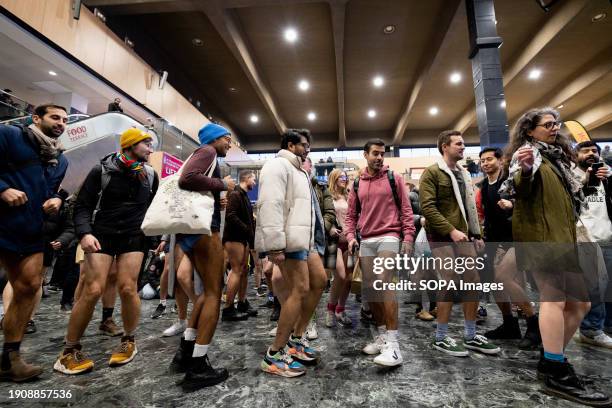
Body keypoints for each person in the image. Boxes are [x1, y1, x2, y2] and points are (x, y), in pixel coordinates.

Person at [506, 108, 609, 405]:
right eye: (547, 124)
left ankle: (552, 359)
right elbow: (520, 187)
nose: (554, 128)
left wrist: (590, 181)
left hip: (564, 238)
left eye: (556, 123)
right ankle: (555, 368)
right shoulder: (526, 153)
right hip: (540, 238)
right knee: (555, 300)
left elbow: (572, 198)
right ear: (529, 130)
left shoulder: (558, 158)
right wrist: (525, 171)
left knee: (581, 304)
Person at [54, 128, 158, 375]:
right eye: (146, 144)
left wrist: (154, 238)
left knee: (127, 287)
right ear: (130, 145)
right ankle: (68, 351)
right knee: (92, 289)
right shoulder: (100, 170)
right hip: (101, 233)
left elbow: (154, 208)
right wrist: (84, 233)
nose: (150, 149)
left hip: (133, 236)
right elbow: (82, 206)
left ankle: (129, 341)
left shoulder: (150, 174)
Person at [0, 103, 69, 381]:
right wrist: (2, 189)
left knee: (29, 287)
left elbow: (51, 190)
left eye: (65, 119)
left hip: (28, 229)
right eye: (55, 117)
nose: (61, 123)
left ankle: (10, 359)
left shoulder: (60, 159)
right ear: (36, 118)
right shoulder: (9, 135)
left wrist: (57, 199)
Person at [419, 130, 500, 357]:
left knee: (472, 279)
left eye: (463, 144)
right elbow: (427, 207)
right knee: (448, 280)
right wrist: (451, 230)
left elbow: (469, 208)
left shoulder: (463, 173)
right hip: (442, 235)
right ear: (445, 146)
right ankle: (441, 337)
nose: (463, 147)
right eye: (459, 144)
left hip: (463, 235)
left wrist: (476, 233)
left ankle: (470, 334)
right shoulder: (432, 172)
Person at [255, 128, 327, 377]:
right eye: (304, 145)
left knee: (320, 282)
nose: (308, 149)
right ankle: (274, 354)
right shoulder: (277, 166)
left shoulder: (299, 171)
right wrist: (274, 245)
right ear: (290, 144)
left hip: (305, 241)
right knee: (299, 290)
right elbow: (270, 205)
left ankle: (296, 340)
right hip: (287, 242)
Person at [169, 122, 235, 390]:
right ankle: (198, 366)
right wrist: (222, 183)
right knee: (212, 295)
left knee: (205, 293)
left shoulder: (203, 153)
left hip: (192, 231)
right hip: (204, 232)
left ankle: (186, 352)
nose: (230, 144)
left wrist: (215, 193)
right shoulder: (207, 151)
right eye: (227, 139)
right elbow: (187, 179)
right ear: (215, 139)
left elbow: (192, 181)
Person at [345, 139, 416, 367]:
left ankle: (394, 346)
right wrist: (350, 237)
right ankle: (382, 335)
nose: (379, 157)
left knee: (385, 283)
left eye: (382, 154)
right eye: (375, 153)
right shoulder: (357, 183)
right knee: (369, 289)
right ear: (365, 155)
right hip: (367, 238)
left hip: (389, 235)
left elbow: (406, 210)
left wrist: (408, 237)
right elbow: (350, 216)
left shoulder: (394, 179)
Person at [478, 147, 541, 349]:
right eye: (482, 161)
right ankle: (509, 324)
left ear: (500, 160)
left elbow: (528, 202)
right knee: (494, 282)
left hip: (517, 238)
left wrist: (512, 205)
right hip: (494, 240)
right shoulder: (483, 185)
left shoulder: (511, 180)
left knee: (502, 277)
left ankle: (534, 324)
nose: (485, 163)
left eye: (489, 159)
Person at [573, 141, 612, 349]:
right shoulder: (571, 178)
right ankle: (590, 330)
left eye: (594, 151)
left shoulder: (607, 176)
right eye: (585, 151)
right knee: (595, 287)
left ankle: (607, 326)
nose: (591, 154)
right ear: (576, 154)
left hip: (608, 236)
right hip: (585, 238)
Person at [303, 156, 336, 339]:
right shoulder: (291, 183)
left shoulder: (321, 187)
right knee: (296, 284)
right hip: (295, 241)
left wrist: (318, 227)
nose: (302, 164)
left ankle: (310, 321)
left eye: (305, 162)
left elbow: (330, 213)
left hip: (315, 241)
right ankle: (296, 322)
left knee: (316, 282)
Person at [222, 170, 258, 321]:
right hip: (234, 238)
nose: (255, 183)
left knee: (244, 270)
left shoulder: (243, 196)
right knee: (237, 271)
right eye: (254, 180)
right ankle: (228, 308)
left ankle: (242, 303)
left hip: (242, 239)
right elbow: (231, 216)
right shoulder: (236, 195)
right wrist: (246, 229)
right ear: (247, 178)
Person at [324, 169, 354, 327]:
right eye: (341, 177)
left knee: (348, 279)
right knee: (340, 276)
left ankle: (340, 309)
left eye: (346, 177)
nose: (344, 179)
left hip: (349, 240)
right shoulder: (328, 195)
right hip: (333, 241)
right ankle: (330, 310)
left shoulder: (350, 195)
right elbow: (323, 215)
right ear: (334, 179)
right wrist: (329, 228)